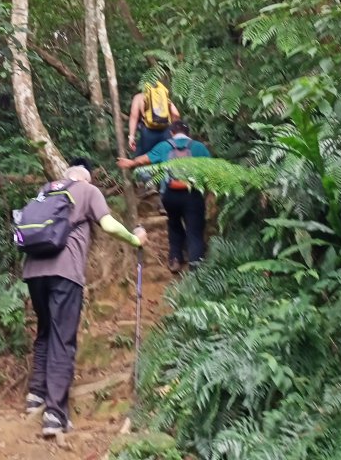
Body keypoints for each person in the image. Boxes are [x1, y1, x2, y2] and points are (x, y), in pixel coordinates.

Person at [22, 163, 147, 438]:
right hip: (65, 273)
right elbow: (108, 224)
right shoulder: (88, 191)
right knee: (62, 339)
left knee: (44, 330)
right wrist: (134, 240)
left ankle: (36, 396)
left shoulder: (46, 190)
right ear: (86, 178)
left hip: (33, 271)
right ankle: (54, 414)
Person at [118, 121, 210, 274]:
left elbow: (145, 159)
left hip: (170, 195)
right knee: (194, 230)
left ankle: (175, 258)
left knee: (174, 225)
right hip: (192, 194)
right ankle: (196, 268)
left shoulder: (164, 146)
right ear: (188, 133)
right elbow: (211, 170)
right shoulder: (199, 147)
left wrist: (130, 163)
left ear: (172, 133)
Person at [127, 81, 181, 154]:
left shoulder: (139, 97)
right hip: (166, 131)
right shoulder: (163, 97)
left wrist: (131, 137)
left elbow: (134, 116)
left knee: (146, 159)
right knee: (166, 158)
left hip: (148, 132)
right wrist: (172, 129)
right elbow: (176, 114)